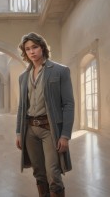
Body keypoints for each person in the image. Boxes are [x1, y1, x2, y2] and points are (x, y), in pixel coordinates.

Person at [16, 32, 74, 197]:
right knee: (39, 173)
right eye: (27, 49)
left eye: (34, 47)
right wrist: (18, 132)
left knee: (53, 173)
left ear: (42, 47)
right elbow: (22, 106)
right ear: (25, 52)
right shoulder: (23, 77)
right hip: (29, 130)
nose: (32, 51)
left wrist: (65, 135)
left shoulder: (60, 71)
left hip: (50, 129)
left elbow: (68, 104)